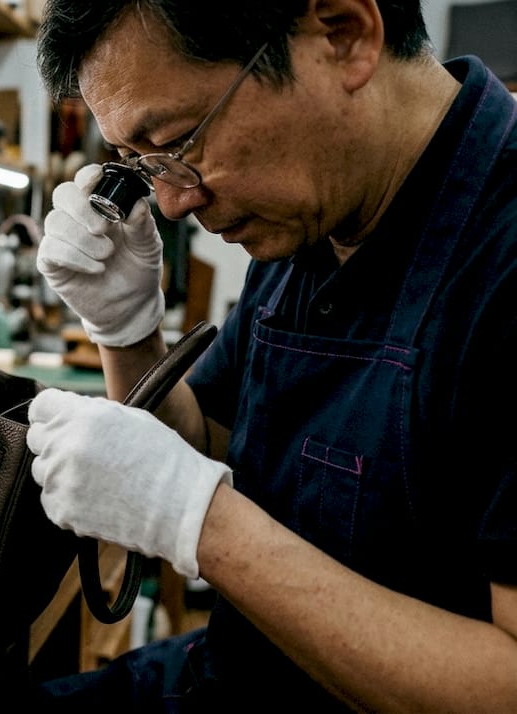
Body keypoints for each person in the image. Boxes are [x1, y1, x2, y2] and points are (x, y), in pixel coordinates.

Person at [25, 0, 517, 710]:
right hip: (241, 670)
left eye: (180, 142)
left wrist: (202, 522)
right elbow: (207, 438)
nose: (170, 202)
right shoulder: (315, 214)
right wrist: (127, 330)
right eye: (141, 163)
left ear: (345, 36)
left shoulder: (499, 258)